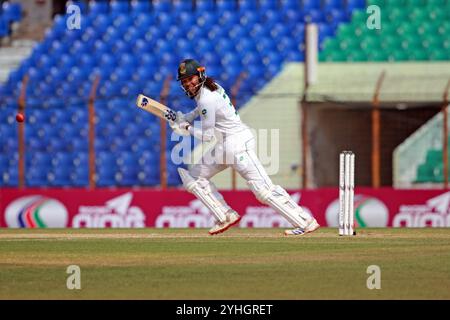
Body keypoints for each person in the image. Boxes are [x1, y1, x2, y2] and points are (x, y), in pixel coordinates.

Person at [170, 59, 320, 236]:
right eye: (185, 81)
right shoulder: (211, 88)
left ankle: (305, 221)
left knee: (263, 190)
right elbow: (201, 111)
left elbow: (208, 135)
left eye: (190, 79)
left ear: (200, 75)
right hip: (224, 147)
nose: (188, 84)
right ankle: (226, 215)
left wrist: (186, 128)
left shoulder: (206, 98)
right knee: (194, 178)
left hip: (238, 144)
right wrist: (186, 117)